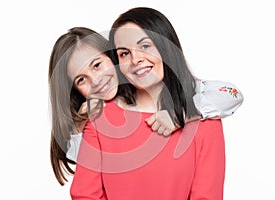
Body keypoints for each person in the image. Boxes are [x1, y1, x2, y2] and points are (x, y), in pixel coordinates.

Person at [69, 7, 240, 199]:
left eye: (145, 46)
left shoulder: (205, 116)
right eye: (124, 53)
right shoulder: (101, 118)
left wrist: (180, 114)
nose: (136, 59)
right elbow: (84, 194)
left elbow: (234, 94)